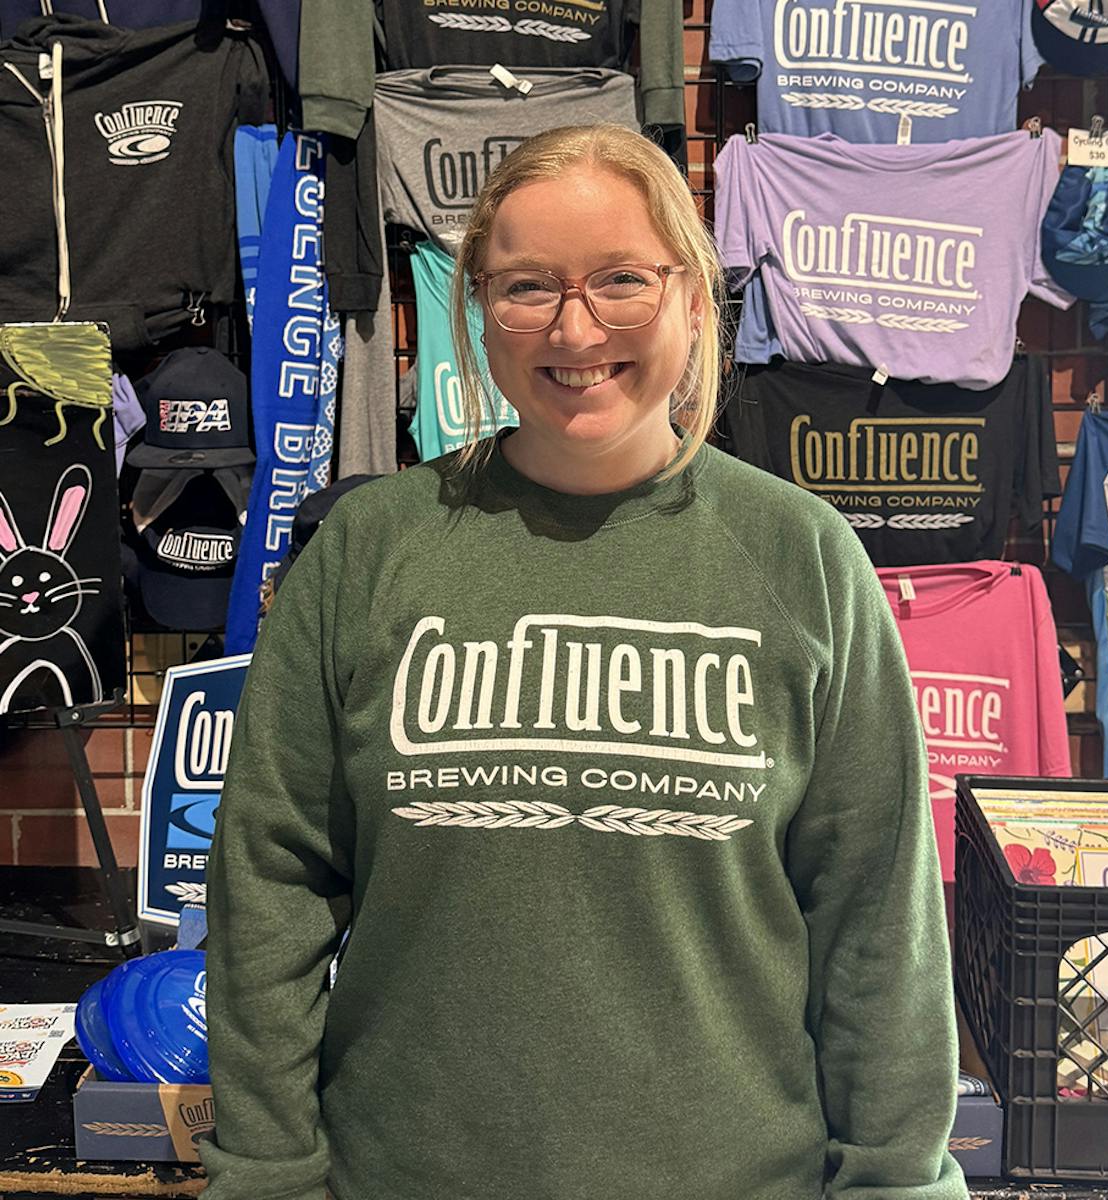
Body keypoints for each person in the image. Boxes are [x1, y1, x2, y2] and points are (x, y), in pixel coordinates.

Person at [199, 123, 968, 1200]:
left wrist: (897, 1182)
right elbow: (268, 887)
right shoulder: (368, 551)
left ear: (696, 299)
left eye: (622, 281)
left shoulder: (803, 559)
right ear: (477, 310)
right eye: (526, 288)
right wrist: (270, 1173)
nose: (575, 327)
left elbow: (879, 922)